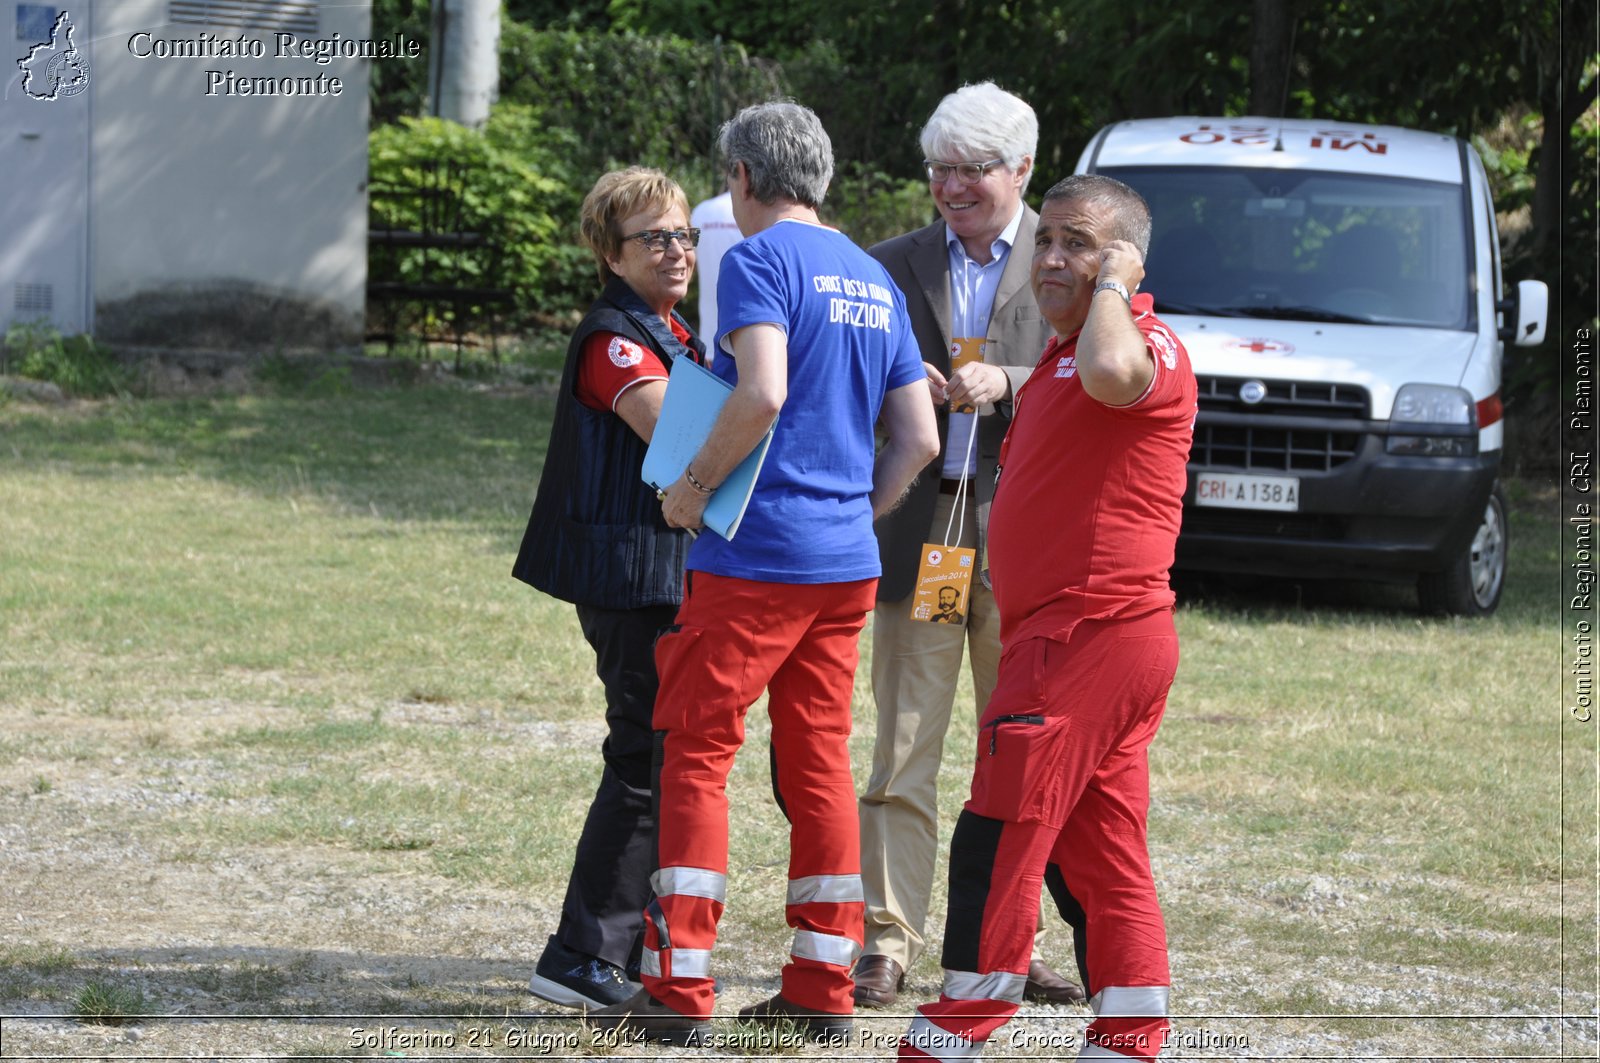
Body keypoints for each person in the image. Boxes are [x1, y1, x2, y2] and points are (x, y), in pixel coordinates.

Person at [589, 100, 940, 1046]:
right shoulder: (875, 276)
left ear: (741, 179)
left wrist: (696, 485)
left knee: (697, 753)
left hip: (754, 558)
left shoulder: (755, 261)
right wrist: (852, 512)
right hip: (844, 566)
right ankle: (823, 985)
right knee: (819, 760)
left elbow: (764, 390)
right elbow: (921, 436)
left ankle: (679, 989)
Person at [898, 174, 1196, 1063]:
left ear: (1127, 262)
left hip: (1084, 638)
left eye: (1080, 243)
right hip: (1075, 638)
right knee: (1100, 850)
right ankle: (1130, 1036)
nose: (1056, 258)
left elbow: (1113, 371)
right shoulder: (1064, 357)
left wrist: (1116, 285)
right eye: (1049, 242)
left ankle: (951, 1035)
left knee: (999, 831)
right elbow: (1069, 381)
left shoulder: (1138, 342)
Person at [856, 81, 1083, 1010]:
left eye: (972, 171)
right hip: (928, 539)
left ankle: (1003, 940)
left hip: (1028, 551)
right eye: (938, 169)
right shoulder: (887, 263)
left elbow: (1108, 373)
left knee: (1018, 754)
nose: (950, 187)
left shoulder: (1071, 261)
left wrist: (1013, 379)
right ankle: (886, 940)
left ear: (1022, 169)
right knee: (905, 743)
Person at [510, 167, 707, 1011]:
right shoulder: (613, 338)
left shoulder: (670, 327)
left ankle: (627, 952)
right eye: (655, 239)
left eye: (685, 235)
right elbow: (678, 431)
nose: (677, 251)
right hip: (633, 582)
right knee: (641, 757)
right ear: (609, 252)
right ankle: (580, 956)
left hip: (665, 577)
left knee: (661, 759)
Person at [689, 189, 740, 341]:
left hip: (709, 338)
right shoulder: (757, 211)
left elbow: (690, 266)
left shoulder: (701, 211)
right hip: (748, 341)